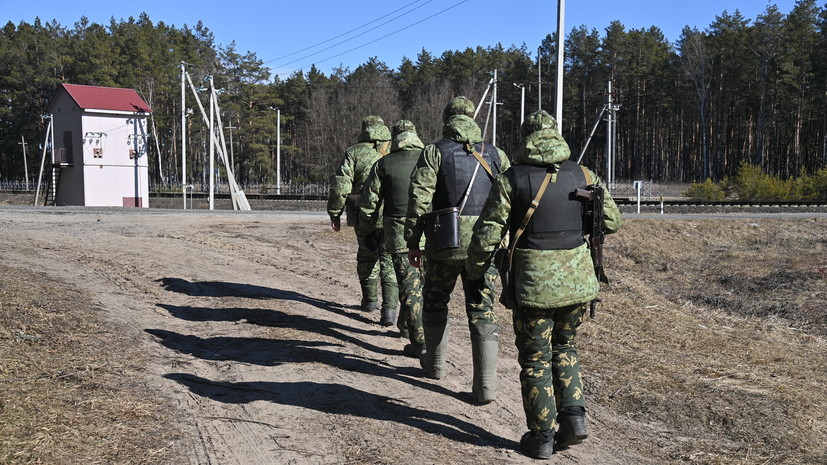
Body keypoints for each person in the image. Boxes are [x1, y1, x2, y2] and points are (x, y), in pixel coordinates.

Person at [465, 110, 622, 459]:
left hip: (534, 285)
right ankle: (574, 418)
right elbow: (612, 222)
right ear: (555, 133)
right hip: (579, 282)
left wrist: (475, 271)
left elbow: (488, 235)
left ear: (526, 138)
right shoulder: (584, 174)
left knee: (536, 359)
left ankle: (541, 438)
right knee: (566, 348)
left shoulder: (512, 179)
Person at [404, 96, 510, 403]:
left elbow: (419, 199)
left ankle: (435, 365)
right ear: (472, 118)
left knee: (435, 299)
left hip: (444, 242)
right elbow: (509, 196)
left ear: (447, 119)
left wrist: (413, 241)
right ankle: (486, 386)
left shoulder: (434, 151)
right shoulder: (495, 153)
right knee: (482, 307)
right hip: (485, 243)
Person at [357, 120, 426, 354]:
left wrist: (367, 230)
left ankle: (419, 341)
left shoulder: (384, 163)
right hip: (433, 232)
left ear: (394, 138)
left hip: (399, 233)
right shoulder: (431, 158)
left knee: (409, 286)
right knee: (426, 287)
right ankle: (409, 328)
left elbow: (369, 204)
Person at [327, 116, 398, 321]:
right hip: (392, 214)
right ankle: (389, 309)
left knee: (367, 256)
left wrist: (335, 213)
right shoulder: (394, 150)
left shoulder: (354, 153)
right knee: (389, 259)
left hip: (363, 214)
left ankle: (369, 301)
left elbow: (341, 186)